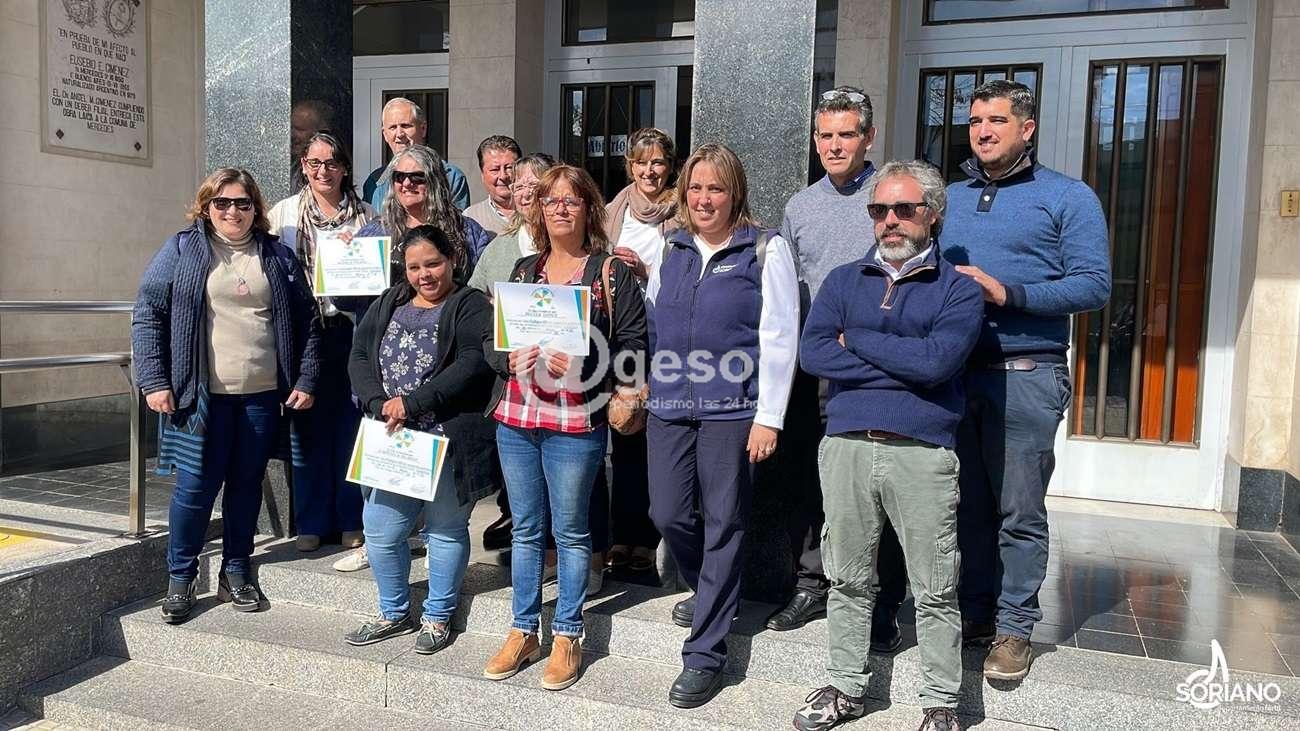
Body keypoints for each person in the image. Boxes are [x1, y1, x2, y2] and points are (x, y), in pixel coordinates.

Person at [793, 160, 983, 731]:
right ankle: (846, 686)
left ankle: (941, 702)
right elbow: (814, 353)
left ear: (934, 214)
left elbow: (938, 363)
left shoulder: (957, 288)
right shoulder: (842, 281)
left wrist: (858, 340)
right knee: (847, 578)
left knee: (935, 586)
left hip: (922, 452)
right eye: (879, 210)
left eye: (904, 209)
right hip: (846, 446)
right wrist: (904, 364)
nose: (890, 220)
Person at [942, 80, 1110, 681]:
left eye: (996, 120)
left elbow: (1093, 285)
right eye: (975, 121)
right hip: (955, 374)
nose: (983, 131)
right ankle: (975, 614)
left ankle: (1015, 629)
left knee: (1018, 510)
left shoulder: (1068, 196)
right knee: (967, 506)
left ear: (1027, 128)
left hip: (1027, 373)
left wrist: (1007, 293)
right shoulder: (950, 198)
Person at [645, 143, 799, 708]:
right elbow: (655, 324)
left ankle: (705, 654)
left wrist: (769, 417)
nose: (704, 198)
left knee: (725, 522)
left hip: (733, 411)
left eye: (716, 188)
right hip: (668, 407)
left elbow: (780, 337)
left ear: (736, 194)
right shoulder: (672, 246)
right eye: (695, 187)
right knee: (668, 513)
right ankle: (712, 590)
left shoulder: (764, 249)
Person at [482, 165, 647, 692]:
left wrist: (587, 364)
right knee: (526, 529)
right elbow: (492, 341)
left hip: (575, 419)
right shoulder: (524, 270)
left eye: (571, 200)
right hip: (517, 417)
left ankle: (568, 633)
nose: (559, 208)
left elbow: (634, 347)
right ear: (538, 210)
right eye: (550, 200)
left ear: (589, 209)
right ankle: (523, 629)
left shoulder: (609, 273)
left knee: (572, 531)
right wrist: (507, 359)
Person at [132, 168, 321, 624]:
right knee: (195, 489)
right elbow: (148, 313)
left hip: (260, 396)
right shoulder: (182, 250)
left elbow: (307, 320)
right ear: (206, 207)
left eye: (242, 203)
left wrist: (306, 378)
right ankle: (181, 577)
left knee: (245, 485)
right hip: (200, 398)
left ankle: (236, 569)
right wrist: (154, 380)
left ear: (255, 208)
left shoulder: (275, 254)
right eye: (222, 202)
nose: (232, 211)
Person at [769, 86, 907, 648]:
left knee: (876, 486)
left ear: (868, 137)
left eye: (846, 134)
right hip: (812, 366)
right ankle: (811, 582)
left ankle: (880, 600)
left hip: (873, 369)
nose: (833, 145)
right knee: (809, 480)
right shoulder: (800, 206)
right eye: (824, 135)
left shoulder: (892, 198)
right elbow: (787, 289)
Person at [341, 225, 497, 655]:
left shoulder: (469, 305)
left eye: (433, 264)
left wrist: (412, 403)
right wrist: (379, 403)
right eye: (414, 267)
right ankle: (393, 612)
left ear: (452, 260)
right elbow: (359, 354)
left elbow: (472, 363)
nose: (424, 275)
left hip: (446, 436)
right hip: (392, 436)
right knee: (381, 529)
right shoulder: (389, 301)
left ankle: (438, 616)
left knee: (445, 529)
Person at [267, 131, 375, 555]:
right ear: (304, 167)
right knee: (307, 428)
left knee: (351, 426)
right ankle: (311, 521)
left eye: (331, 163)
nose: (323, 171)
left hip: (353, 330)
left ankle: (351, 518)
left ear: (345, 167)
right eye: (314, 163)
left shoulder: (367, 216)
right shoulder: (284, 214)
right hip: (304, 333)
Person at [467, 152, 558, 552]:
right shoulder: (500, 246)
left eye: (533, 185)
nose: (523, 192)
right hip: (513, 379)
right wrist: (492, 308)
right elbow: (473, 297)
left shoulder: (570, 241)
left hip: (563, 379)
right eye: (518, 185)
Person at [601, 127, 677, 573]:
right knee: (624, 432)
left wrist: (646, 271)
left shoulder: (682, 211)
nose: (649, 171)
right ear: (629, 166)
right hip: (623, 335)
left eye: (658, 162)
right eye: (641, 162)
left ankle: (648, 540)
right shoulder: (613, 211)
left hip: (665, 335)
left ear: (670, 166)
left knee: (656, 438)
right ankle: (622, 535)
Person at [356, 144, 493, 276]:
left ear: (436, 181)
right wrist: (349, 252)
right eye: (400, 176)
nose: (407, 183)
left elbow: (484, 283)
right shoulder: (373, 234)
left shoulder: (467, 232)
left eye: (417, 177)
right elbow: (353, 287)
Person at [361, 97, 471, 211]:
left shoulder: (451, 178)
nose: (399, 134)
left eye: (405, 126)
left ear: (423, 129)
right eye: (393, 127)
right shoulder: (374, 183)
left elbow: (457, 221)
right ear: (385, 134)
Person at [464, 135, 522, 235]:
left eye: (509, 168)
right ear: (482, 175)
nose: (503, 176)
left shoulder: (538, 212)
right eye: (495, 169)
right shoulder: (471, 218)